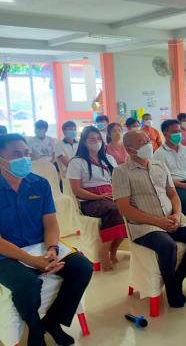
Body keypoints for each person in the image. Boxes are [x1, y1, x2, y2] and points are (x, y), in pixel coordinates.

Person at [0, 133, 92, 346]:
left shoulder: (38, 184)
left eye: (25, 154)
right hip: (5, 254)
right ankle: (35, 328)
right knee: (28, 284)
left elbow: (50, 223)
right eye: (16, 154)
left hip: (40, 244)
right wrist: (31, 260)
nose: (23, 159)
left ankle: (53, 320)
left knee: (82, 268)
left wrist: (51, 248)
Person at [113, 131, 186, 308]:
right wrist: (158, 222)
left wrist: (176, 214)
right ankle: (173, 293)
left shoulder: (159, 165)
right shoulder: (121, 172)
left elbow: (172, 194)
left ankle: (178, 278)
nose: (148, 145)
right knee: (167, 246)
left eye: (148, 141)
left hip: (172, 217)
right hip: (145, 226)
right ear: (129, 149)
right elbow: (124, 209)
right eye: (142, 143)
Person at [66, 126, 126, 270]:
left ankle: (113, 250)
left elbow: (118, 180)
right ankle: (103, 254)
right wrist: (98, 196)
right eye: (92, 139)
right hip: (89, 200)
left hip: (111, 195)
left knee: (130, 208)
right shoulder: (77, 162)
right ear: (84, 142)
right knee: (114, 210)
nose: (96, 142)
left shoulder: (109, 159)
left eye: (99, 139)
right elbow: (77, 190)